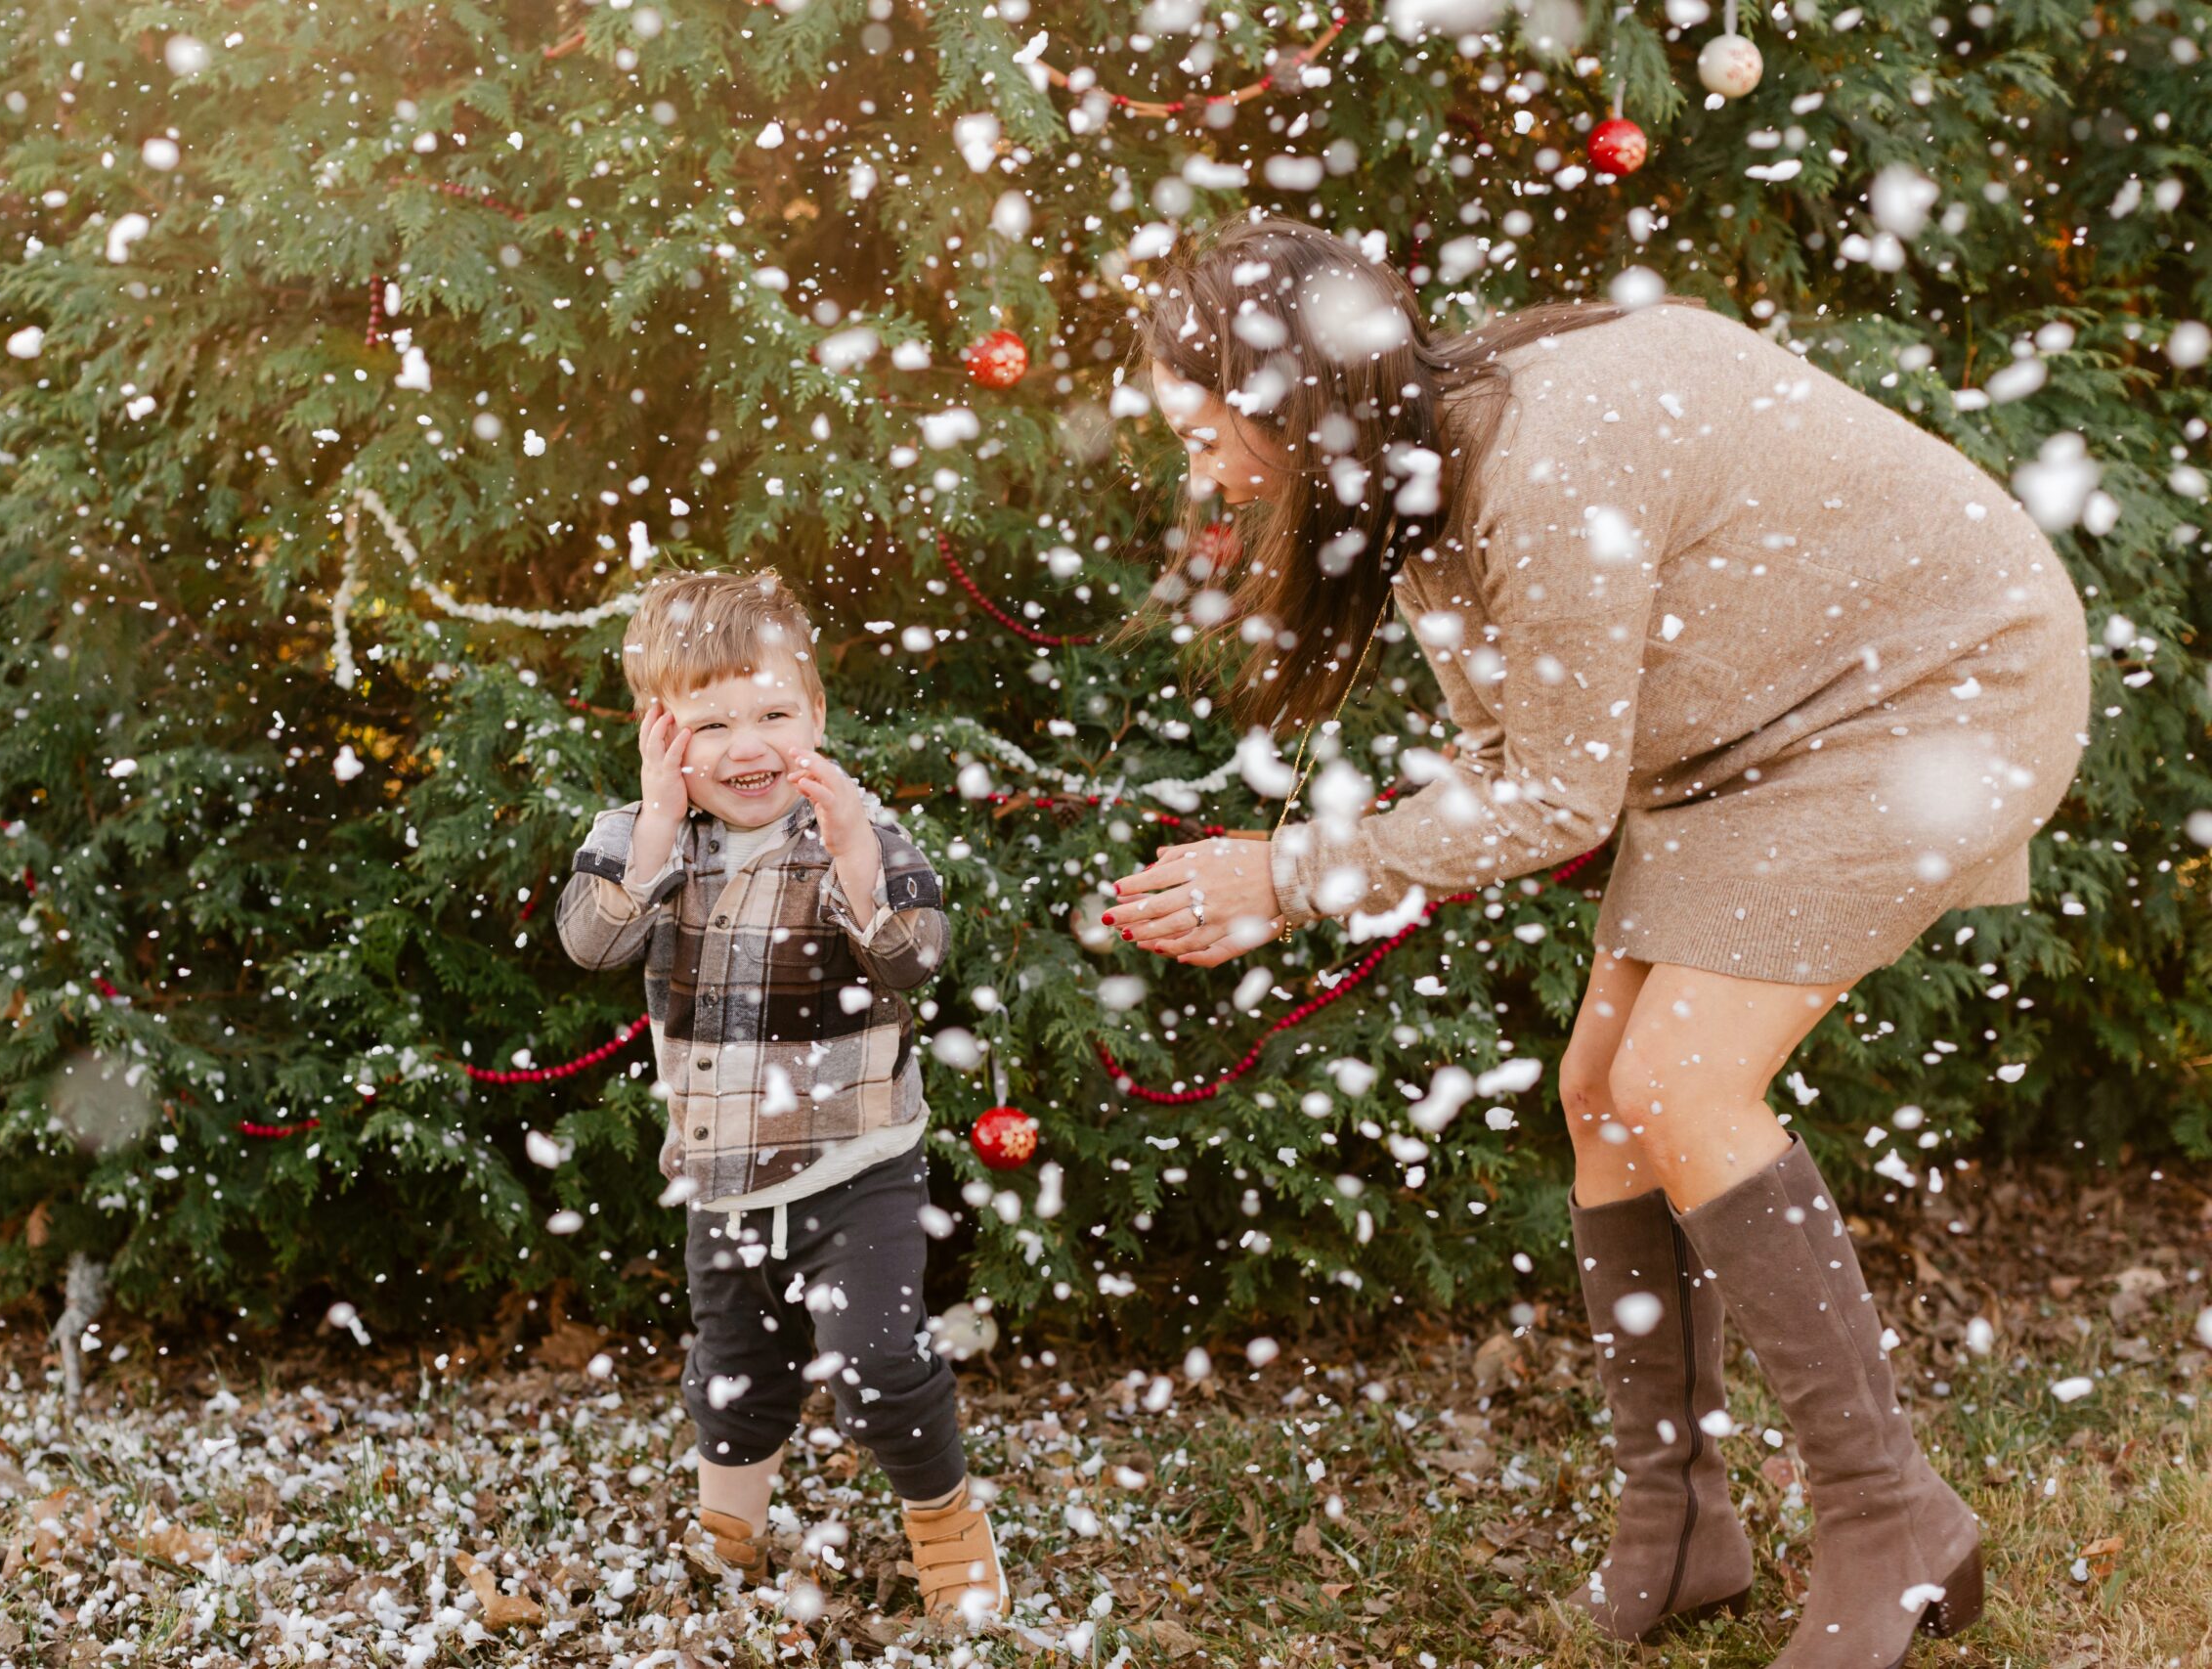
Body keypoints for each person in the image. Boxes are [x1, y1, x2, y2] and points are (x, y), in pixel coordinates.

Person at [1104, 217, 2087, 1668]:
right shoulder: (1425, 463)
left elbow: (1557, 794)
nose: (1199, 470)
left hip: (1930, 694)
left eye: (1206, 433)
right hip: (1755, 729)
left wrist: (1295, 873)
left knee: (1684, 1087)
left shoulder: (1541, 461)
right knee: (1602, 1093)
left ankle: (1895, 1520)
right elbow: (1523, 742)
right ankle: (1679, 1520)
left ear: (1285, 399)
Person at [553, 570, 1009, 1627]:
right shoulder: (640, 837)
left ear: (815, 715)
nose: (747, 745)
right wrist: (659, 824)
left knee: (878, 1364)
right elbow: (590, 940)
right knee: (734, 1371)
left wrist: (853, 856)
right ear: (661, 732)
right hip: (721, 1179)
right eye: (711, 723)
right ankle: (729, 1536)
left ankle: (945, 1525)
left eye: (772, 713)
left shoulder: (859, 834)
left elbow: (916, 957)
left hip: (858, 1166)